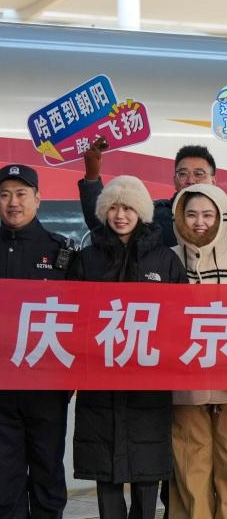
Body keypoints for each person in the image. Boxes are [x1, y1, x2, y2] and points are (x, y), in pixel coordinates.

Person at [66, 175, 187, 519]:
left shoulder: (165, 261)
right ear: (104, 211)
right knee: (106, 476)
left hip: (148, 389)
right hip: (100, 389)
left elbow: (181, 320)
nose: (120, 215)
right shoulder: (86, 259)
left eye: (129, 208)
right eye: (114, 208)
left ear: (142, 212)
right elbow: (71, 318)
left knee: (147, 476)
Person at [168, 184, 227, 519]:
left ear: (222, 217)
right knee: (188, 467)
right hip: (185, 386)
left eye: (208, 215)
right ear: (179, 217)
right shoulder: (169, 258)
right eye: (191, 214)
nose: (199, 222)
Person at [0, 164, 74, 519]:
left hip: (46, 389)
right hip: (1, 392)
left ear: (38, 198)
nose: (13, 202)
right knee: (4, 481)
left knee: (47, 474)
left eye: (21, 194)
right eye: (4, 195)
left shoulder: (62, 253)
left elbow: (81, 320)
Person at [79, 124, 227, 247]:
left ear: (213, 180)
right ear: (175, 181)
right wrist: (92, 176)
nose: (190, 181)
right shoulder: (156, 216)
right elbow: (105, 227)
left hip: (218, 303)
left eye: (199, 174)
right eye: (183, 174)